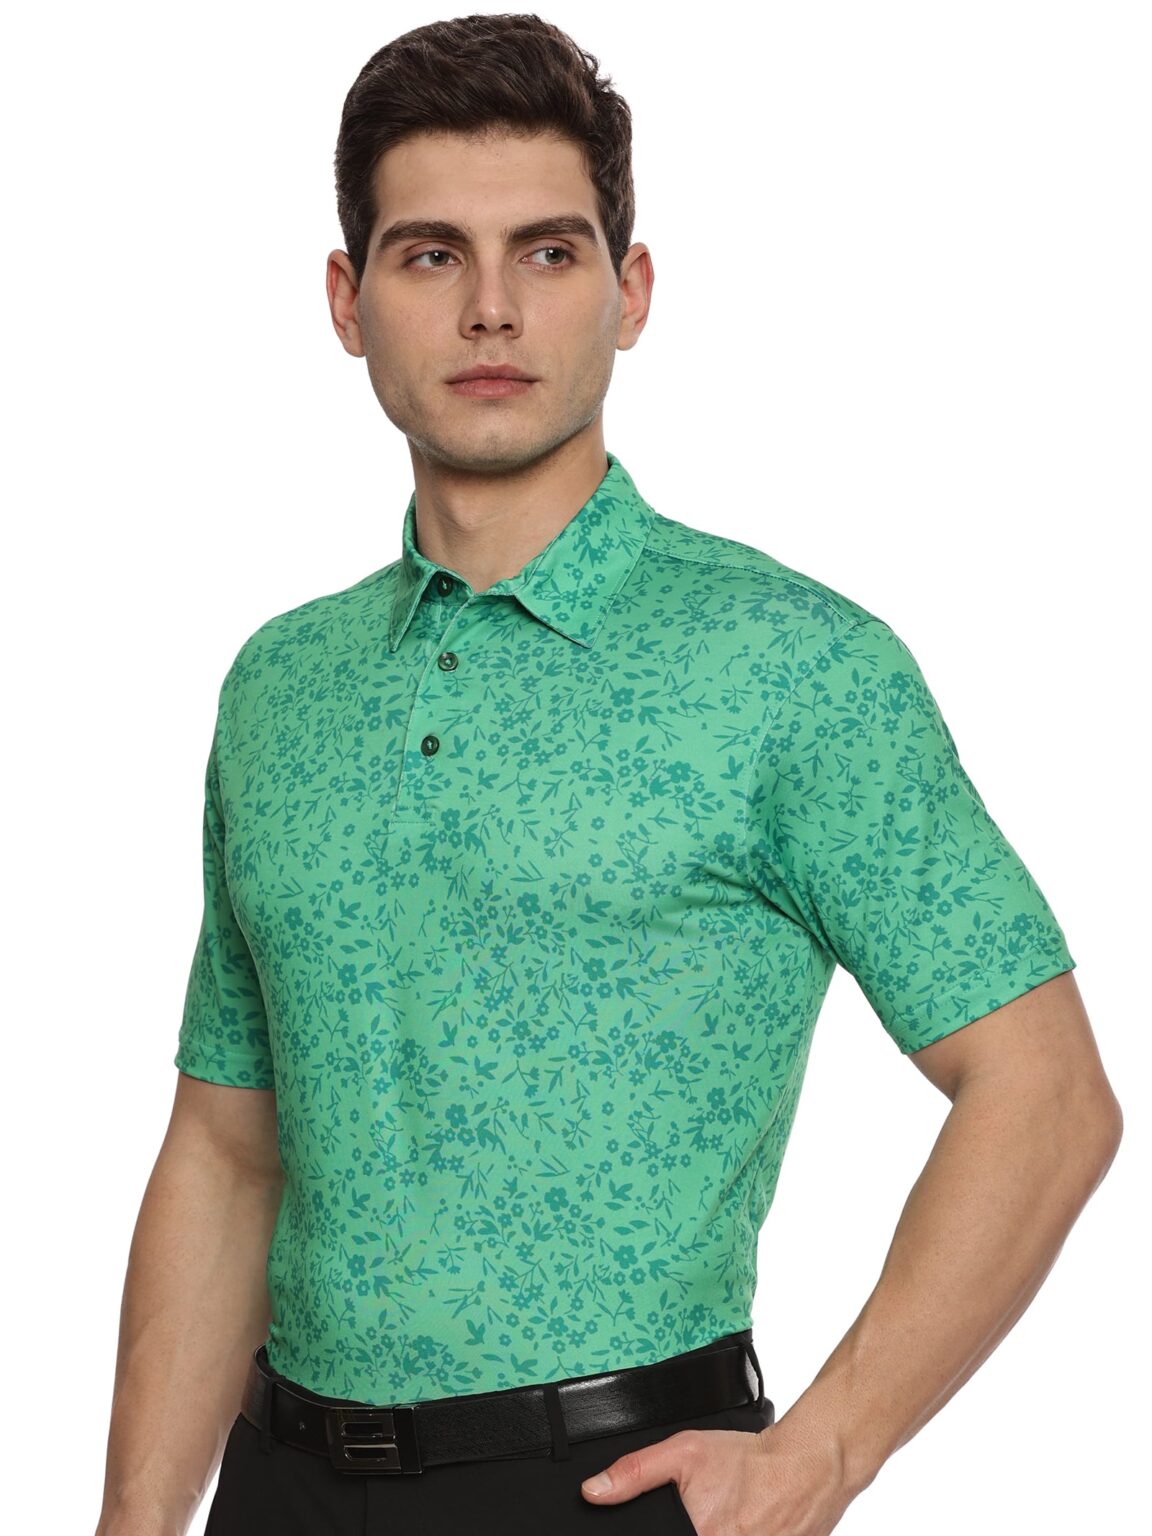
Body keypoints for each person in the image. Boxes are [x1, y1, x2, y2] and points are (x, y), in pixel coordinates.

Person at [94, 13, 1123, 1536]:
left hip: (610, 1486)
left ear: (630, 292)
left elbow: (1045, 1094)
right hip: (282, 1481)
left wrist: (825, 1453)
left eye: (549, 253)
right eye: (431, 255)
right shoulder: (279, 687)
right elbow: (225, 1152)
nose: (492, 308)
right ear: (348, 301)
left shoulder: (791, 664)